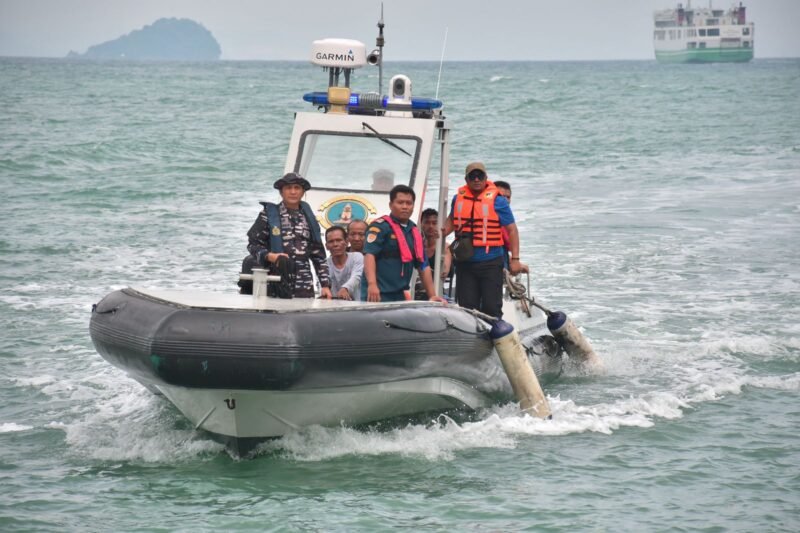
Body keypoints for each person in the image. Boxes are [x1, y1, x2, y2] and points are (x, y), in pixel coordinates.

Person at [443, 162, 521, 318]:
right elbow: (451, 221)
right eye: (473, 176)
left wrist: (515, 259)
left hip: (490, 262)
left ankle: (495, 336)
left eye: (480, 176)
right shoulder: (457, 198)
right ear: (466, 179)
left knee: (491, 307)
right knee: (467, 308)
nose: (476, 179)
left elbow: (512, 230)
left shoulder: (498, 201)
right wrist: (437, 235)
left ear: (486, 178)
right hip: (465, 262)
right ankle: (473, 338)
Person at [243, 172, 332, 299]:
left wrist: (325, 285)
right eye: (288, 188)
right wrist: (270, 256)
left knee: (302, 317)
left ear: (303, 192)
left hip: (304, 286)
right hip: (274, 280)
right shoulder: (267, 215)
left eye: (297, 188)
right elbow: (253, 245)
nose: (293, 192)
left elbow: (318, 255)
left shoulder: (310, 219)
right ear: (281, 192)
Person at [362, 185, 445, 303]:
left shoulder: (415, 232)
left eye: (409, 203)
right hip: (377, 292)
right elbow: (369, 255)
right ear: (391, 205)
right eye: (400, 203)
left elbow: (423, 265)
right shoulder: (380, 227)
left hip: (399, 294)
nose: (405, 207)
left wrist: (432, 295)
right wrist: (372, 284)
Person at [414, 208, 452, 300]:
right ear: (421, 224)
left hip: (436, 292)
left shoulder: (445, 248)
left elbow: (444, 271)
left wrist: (439, 241)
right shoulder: (415, 246)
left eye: (434, 223)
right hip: (415, 292)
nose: (430, 226)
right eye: (427, 222)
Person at [493, 180, 529, 274]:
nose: (504, 200)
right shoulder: (491, 217)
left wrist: (515, 261)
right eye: (501, 196)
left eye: (508, 197)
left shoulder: (507, 218)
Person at [325, 226, 364, 300]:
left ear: (346, 242)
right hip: (333, 308)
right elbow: (323, 286)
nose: (335, 244)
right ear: (326, 246)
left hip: (358, 307)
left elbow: (356, 276)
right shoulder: (324, 264)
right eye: (331, 241)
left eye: (339, 240)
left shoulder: (357, 257)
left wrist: (345, 288)